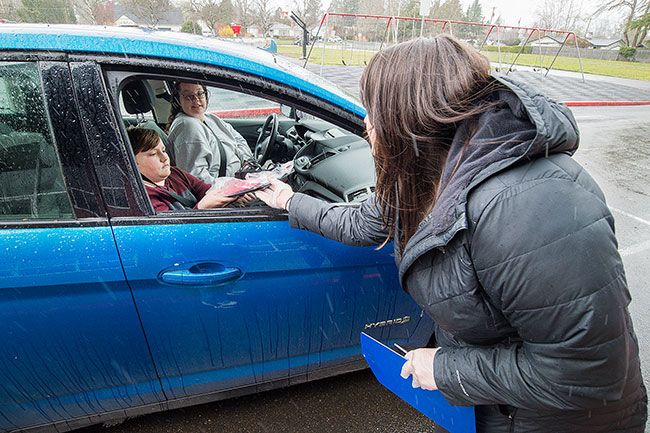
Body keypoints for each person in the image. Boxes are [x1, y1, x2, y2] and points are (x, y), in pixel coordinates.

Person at [256, 35, 647, 432]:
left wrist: (445, 369)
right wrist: (289, 201)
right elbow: (362, 222)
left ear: (407, 118)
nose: (366, 124)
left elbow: (589, 373)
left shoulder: (530, 206)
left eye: (374, 110)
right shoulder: (424, 177)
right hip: (498, 408)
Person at [128, 127, 243, 212]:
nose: (164, 158)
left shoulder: (175, 174)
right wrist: (201, 208)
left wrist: (235, 194)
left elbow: (206, 190)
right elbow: (171, 231)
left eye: (163, 150)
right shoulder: (143, 197)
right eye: (153, 154)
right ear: (133, 162)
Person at [166, 81, 254, 184]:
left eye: (200, 93)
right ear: (178, 100)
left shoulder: (211, 118)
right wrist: (232, 189)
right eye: (188, 96)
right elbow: (197, 179)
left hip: (239, 178)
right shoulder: (187, 126)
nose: (196, 99)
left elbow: (239, 140)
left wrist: (246, 162)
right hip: (222, 191)